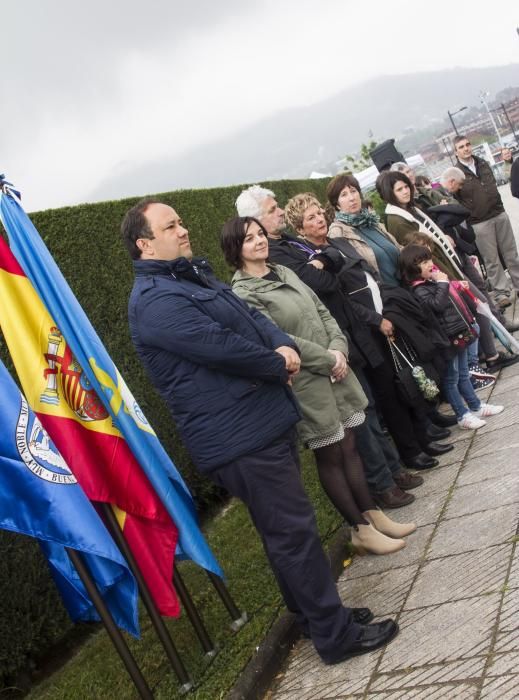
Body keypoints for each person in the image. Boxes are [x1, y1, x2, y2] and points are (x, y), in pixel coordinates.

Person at [121, 198, 398, 665]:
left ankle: (314, 617)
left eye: (181, 221)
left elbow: (252, 320)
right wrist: (275, 362)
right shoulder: (155, 302)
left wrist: (281, 344)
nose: (184, 230)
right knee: (293, 532)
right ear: (144, 244)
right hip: (238, 438)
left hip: (260, 423)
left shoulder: (189, 277)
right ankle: (335, 635)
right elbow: (219, 346)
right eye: (172, 226)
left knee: (281, 532)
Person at [221, 214, 416, 555]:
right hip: (309, 381)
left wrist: (339, 349)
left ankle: (372, 515)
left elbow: (322, 313)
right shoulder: (243, 292)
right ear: (235, 249)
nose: (260, 241)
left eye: (261, 234)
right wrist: (328, 359)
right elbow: (277, 337)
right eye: (250, 238)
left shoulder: (284, 271)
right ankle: (358, 529)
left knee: (352, 445)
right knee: (332, 455)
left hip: (336, 368)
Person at [236, 186, 435, 490]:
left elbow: (333, 260)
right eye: (273, 208)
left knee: (372, 403)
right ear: (256, 219)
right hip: (326, 344)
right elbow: (318, 281)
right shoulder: (275, 254)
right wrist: (322, 263)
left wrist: (324, 260)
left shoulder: (288, 241)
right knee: (362, 415)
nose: (279, 213)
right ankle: (385, 483)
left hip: (343, 330)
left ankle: (394, 470)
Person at [400, 244, 505, 429]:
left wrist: (449, 283)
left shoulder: (431, 282)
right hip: (447, 339)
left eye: (429, 260)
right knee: (452, 378)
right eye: (424, 262)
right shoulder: (419, 289)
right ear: (412, 268)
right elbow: (437, 305)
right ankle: (462, 415)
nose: (430, 264)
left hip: (458, 334)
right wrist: (442, 283)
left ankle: (476, 405)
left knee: (463, 373)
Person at [452, 134, 519, 309]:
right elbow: (455, 199)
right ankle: (501, 292)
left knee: (511, 253)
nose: (466, 148)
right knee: (491, 259)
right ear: (456, 151)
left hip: (498, 213)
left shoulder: (482, 163)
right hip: (479, 221)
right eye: (461, 147)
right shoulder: (456, 173)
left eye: (467, 144)